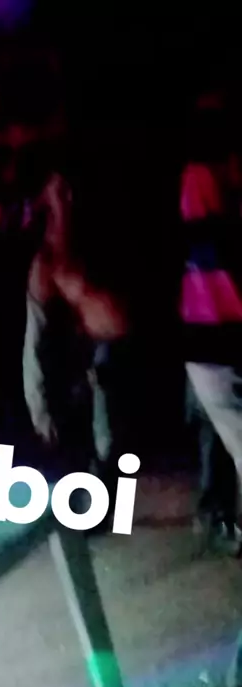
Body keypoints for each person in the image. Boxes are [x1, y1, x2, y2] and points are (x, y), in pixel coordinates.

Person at [21, 150, 141, 508]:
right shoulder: (48, 263)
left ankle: (97, 497)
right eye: (60, 192)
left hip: (106, 359)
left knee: (108, 443)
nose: (69, 197)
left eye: (69, 190)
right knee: (97, 445)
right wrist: (40, 405)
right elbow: (36, 340)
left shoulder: (90, 244)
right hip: (87, 367)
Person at [180, 89, 242, 552]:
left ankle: (216, 516)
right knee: (220, 433)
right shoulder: (203, 176)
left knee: (217, 433)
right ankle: (216, 516)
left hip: (208, 337)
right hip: (214, 335)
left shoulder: (203, 174)